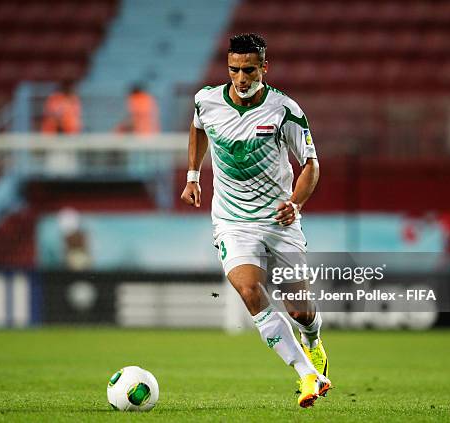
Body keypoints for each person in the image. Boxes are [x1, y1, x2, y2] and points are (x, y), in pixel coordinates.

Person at [180, 33, 330, 408]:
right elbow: (198, 130)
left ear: (265, 67)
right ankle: (306, 374)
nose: (241, 78)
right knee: (250, 291)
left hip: (279, 221)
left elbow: (310, 165)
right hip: (232, 221)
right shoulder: (206, 100)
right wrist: (193, 177)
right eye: (234, 69)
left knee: (301, 311)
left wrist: (295, 203)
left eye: (249, 69)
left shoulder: (285, 110)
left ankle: (313, 342)